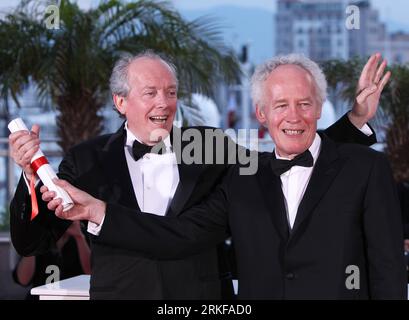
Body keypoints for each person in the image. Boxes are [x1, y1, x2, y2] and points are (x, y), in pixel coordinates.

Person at [10, 51, 380, 300]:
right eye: (151, 92)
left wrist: (355, 121)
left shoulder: (208, 145)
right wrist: (29, 177)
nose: (164, 103)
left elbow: (284, 158)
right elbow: (32, 244)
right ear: (120, 102)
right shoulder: (86, 159)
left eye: (171, 92)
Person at [12, 221, 90, 300]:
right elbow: (23, 280)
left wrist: (79, 237)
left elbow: (91, 273)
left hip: (74, 296)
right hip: (40, 296)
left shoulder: (83, 233)